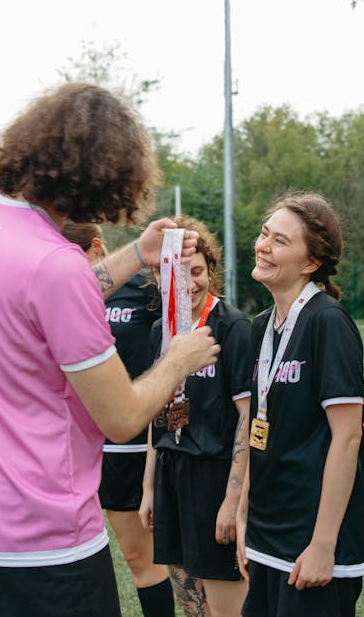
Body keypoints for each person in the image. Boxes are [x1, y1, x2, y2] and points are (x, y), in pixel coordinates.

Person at [0, 82, 219, 617]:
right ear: (103, 175)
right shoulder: (55, 264)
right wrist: (179, 358)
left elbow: (42, 300)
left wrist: (138, 253)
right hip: (40, 544)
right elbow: (121, 417)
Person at [236, 192, 364, 617]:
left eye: (280, 241)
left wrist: (323, 545)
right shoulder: (261, 326)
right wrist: (243, 516)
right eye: (264, 234)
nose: (263, 246)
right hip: (265, 532)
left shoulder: (328, 321)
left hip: (310, 541)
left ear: (310, 262)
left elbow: (348, 438)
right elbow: (260, 427)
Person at [60, 221, 175, 617]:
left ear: (97, 247)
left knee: (139, 555)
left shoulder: (145, 288)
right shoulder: (60, 295)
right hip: (74, 447)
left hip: (128, 444)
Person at [139, 215, 251, 617]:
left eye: (197, 271)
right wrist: (149, 487)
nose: (189, 283)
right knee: (190, 604)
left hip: (213, 476)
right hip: (170, 473)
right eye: (177, 273)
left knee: (224, 609)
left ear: (211, 270)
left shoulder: (233, 327)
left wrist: (233, 501)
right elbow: (156, 411)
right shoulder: (161, 331)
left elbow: (247, 417)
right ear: (159, 276)